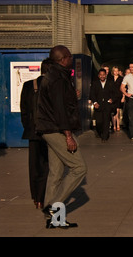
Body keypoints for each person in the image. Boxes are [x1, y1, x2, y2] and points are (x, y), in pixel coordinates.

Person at [35, 45, 87, 228]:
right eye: (69, 56)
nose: (71, 58)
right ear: (62, 58)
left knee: (56, 174)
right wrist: (68, 136)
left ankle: (55, 220)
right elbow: (59, 109)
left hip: (50, 128)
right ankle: (52, 206)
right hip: (56, 129)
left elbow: (61, 102)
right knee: (79, 168)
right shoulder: (58, 78)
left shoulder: (55, 75)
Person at [20, 58, 52, 209]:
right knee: (47, 164)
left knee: (34, 165)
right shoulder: (53, 85)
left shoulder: (27, 86)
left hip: (33, 131)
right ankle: (42, 195)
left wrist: (29, 126)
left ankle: (35, 197)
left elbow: (24, 111)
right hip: (49, 131)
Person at [89, 68, 117, 142]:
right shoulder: (95, 83)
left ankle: (105, 136)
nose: (102, 76)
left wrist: (112, 99)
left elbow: (115, 93)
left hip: (107, 105)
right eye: (100, 75)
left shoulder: (110, 83)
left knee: (106, 121)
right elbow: (92, 94)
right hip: (98, 105)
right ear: (98, 76)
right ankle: (100, 132)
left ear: (106, 75)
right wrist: (94, 103)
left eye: (103, 75)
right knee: (99, 122)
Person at [110, 66, 124, 132]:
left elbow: (123, 88)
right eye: (114, 71)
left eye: (117, 71)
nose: (116, 72)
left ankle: (118, 125)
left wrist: (123, 97)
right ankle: (114, 125)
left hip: (118, 96)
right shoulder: (110, 78)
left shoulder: (121, 78)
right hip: (112, 96)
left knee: (117, 112)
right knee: (113, 111)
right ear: (113, 71)